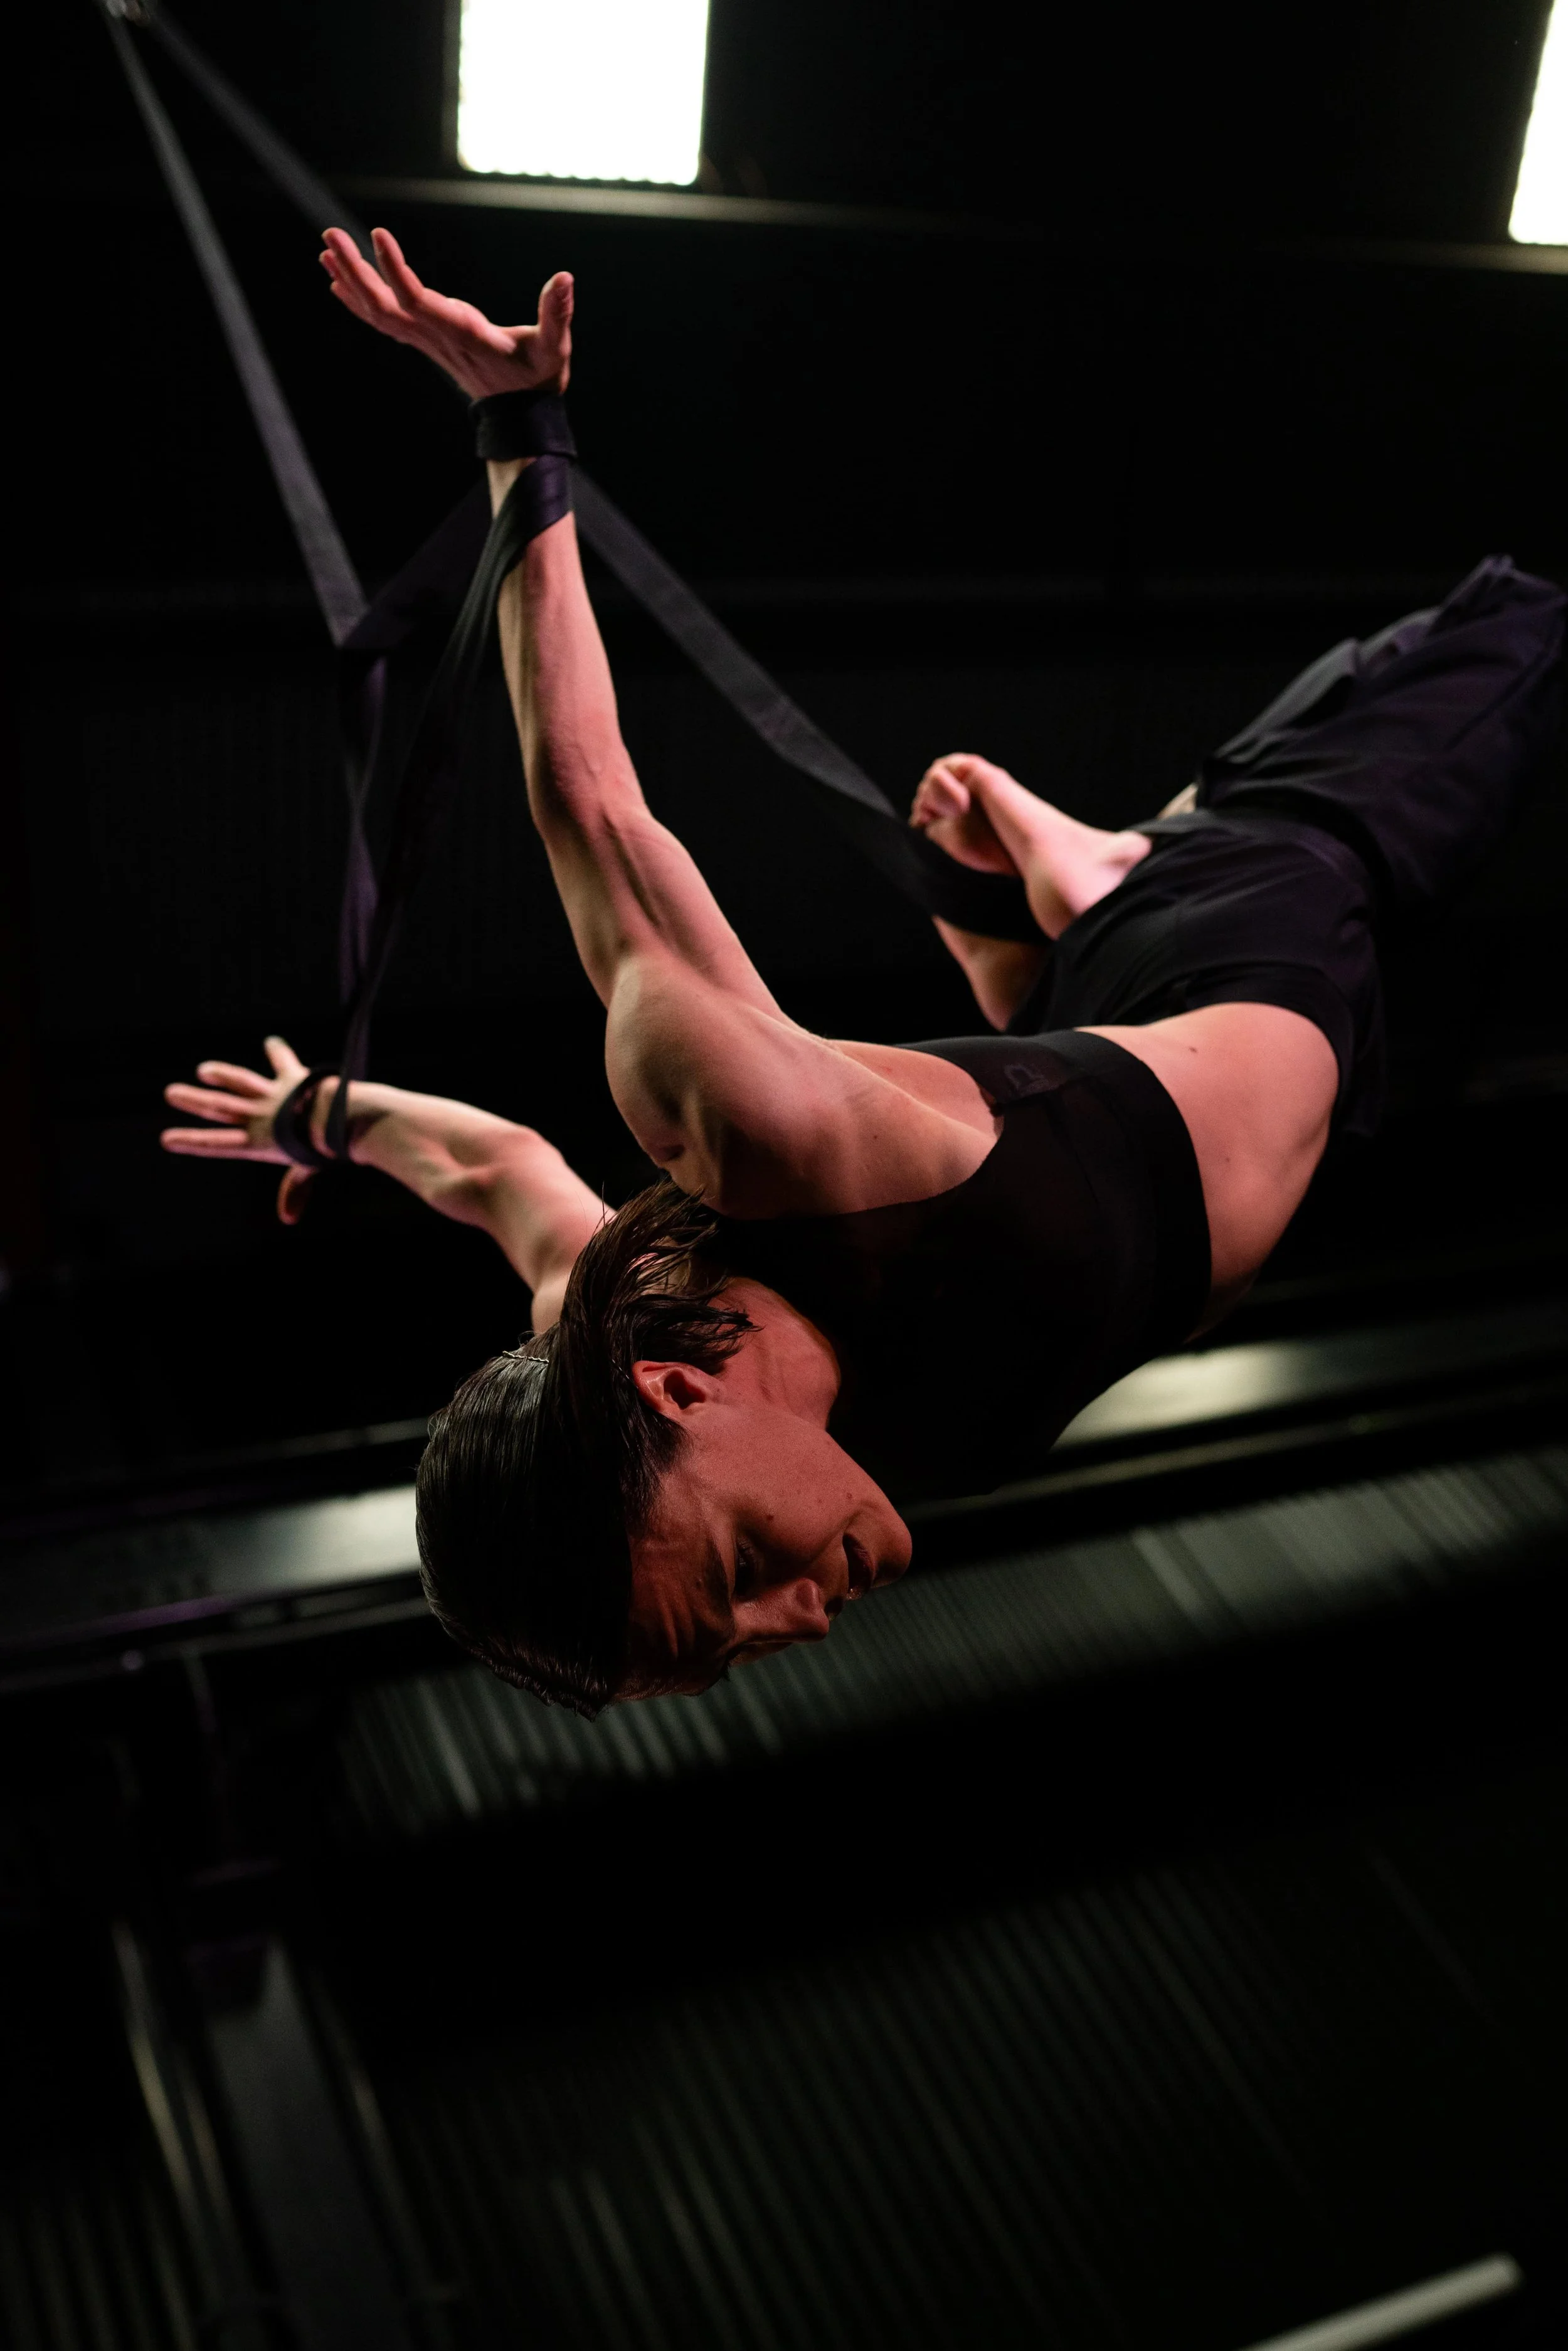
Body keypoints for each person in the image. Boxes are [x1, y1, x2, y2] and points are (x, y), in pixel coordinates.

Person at [161, 231, 1565, 1717]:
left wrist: (518, 427)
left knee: (1535, 622)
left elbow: (589, 803)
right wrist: (323, 1117)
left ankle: (1095, 880)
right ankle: (1045, 917)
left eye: (731, 1574)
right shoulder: (611, 1327)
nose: (796, 1620)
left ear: (675, 1391)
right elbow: (491, 1167)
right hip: (1118, 1065)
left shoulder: (749, 1129)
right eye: (733, 1644)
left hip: (1259, 906)